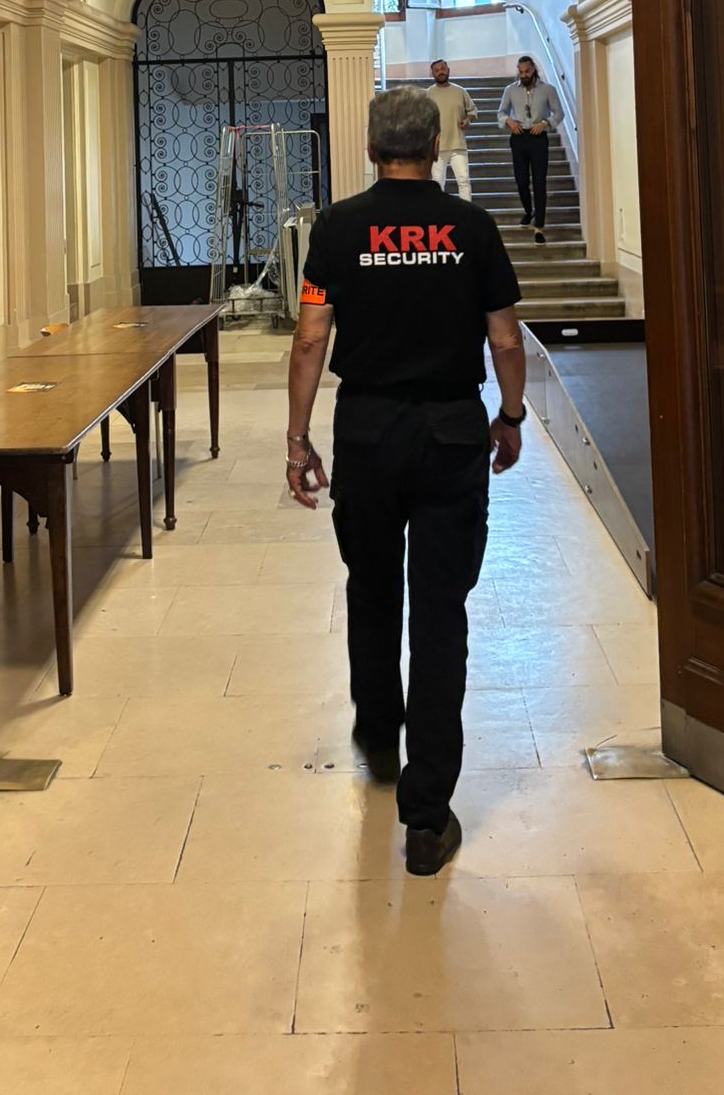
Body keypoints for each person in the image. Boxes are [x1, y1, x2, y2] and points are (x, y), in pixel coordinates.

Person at [284, 85, 526, 876]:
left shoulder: (338, 227)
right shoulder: (473, 226)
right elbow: (505, 337)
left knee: (371, 586)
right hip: (452, 431)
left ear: (369, 147)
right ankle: (427, 819)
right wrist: (511, 416)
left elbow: (310, 334)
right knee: (440, 611)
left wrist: (298, 439)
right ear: (434, 143)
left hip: (368, 431)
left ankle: (377, 737)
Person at [497, 54, 563, 243]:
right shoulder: (510, 90)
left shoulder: (548, 90)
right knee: (521, 180)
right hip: (518, 137)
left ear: (533, 69)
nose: (524, 75)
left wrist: (546, 123)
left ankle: (539, 227)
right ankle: (528, 210)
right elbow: (500, 112)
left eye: (527, 71)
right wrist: (508, 120)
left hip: (538, 137)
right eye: (520, 72)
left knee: (539, 182)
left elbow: (559, 112)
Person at [423, 58, 475, 199]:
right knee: (438, 184)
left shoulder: (460, 91)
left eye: (443, 69)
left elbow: (472, 111)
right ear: (432, 74)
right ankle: (439, 215)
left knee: (464, 181)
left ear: (448, 70)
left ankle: (467, 214)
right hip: (436, 147)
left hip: (457, 144)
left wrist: (467, 120)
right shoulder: (428, 94)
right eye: (437, 70)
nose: (441, 72)